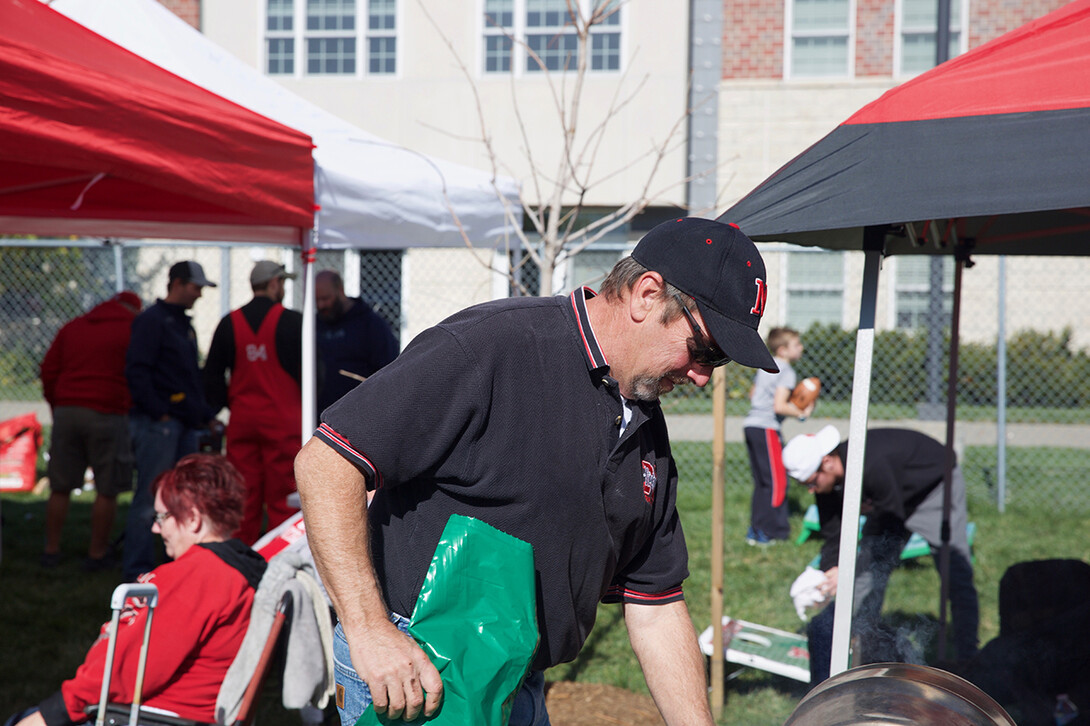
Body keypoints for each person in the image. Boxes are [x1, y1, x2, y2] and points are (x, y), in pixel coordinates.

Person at [294, 217, 780, 726]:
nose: (702, 376)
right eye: (703, 349)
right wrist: (370, 630)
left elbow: (655, 601)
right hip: (418, 664)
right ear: (646, 294)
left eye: (718, 362)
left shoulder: (644, 425)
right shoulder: (492, 346)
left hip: (516, 676)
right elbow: (327, 465)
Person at [9, 454, 266, 726]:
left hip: (147, 717)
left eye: (162, 516)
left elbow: (123, 671)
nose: (155, 528)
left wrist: (51, 714)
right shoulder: (240, 571)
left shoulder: (197, 576)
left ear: (192, 519)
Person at [781, 425, 980, 685]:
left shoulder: (870, 464)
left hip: (933, 487)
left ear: (827, 462)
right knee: (865, 579)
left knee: (956, 572)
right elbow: (834, 534)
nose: (809, 490)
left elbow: (891, 521)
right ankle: (867, 657)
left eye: (810, 482)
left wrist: (849, 570)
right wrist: (832, 570)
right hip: (890, 505)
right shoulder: (827, 485)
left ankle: (970, 659)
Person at [123, 261, 220, 582]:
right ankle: (136, 570)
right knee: (150, 498)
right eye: (196, 287)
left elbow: (188, 379)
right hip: (159, 426)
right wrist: (159, 411)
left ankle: (179, 564)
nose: (200, 295)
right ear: (177, 283)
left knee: (183, 496)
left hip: (182, 424)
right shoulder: (152, 321)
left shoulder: (181, 324)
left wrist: (204, 415)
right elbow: (137, 370)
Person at [38, 291, 142, 571]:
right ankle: (97, 553)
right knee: (107, 488)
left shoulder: (73, 327)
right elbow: (139, 373)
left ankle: (51, 549)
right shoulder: (133, 329)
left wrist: (57, 403)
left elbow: (48, 369)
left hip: (68, 410)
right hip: (108, 411)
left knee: (60, 485)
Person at [204, 260, 304, 545]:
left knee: (242, 493)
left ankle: (239, 554)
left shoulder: (229, 323)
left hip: (243, 421)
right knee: (284, 496)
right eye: (282, 282)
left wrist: (227, 402)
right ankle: (280, 552)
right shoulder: (293, 323)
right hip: (283, 422)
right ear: (274, 283)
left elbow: (211, 375)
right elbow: (314, 374)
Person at [741, 327, 812, 545]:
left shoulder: (767, 364)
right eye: (797, 344)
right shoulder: (787, 370)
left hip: (751, 425)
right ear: (783, 349)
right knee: (777, 482)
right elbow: (779, 406)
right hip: (766, 428)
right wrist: (802, 411)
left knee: (763, 482)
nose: (801, 348)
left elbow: (753, 393)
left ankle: (756, 530)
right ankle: (772, 531)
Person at [313, 270, 398, 413]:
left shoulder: (370, 324)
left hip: (357, 413)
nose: (321, 305)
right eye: (316, 300)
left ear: (340, 290)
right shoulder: (314, 324)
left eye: (326, 298)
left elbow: (389, 369)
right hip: (319, 414)